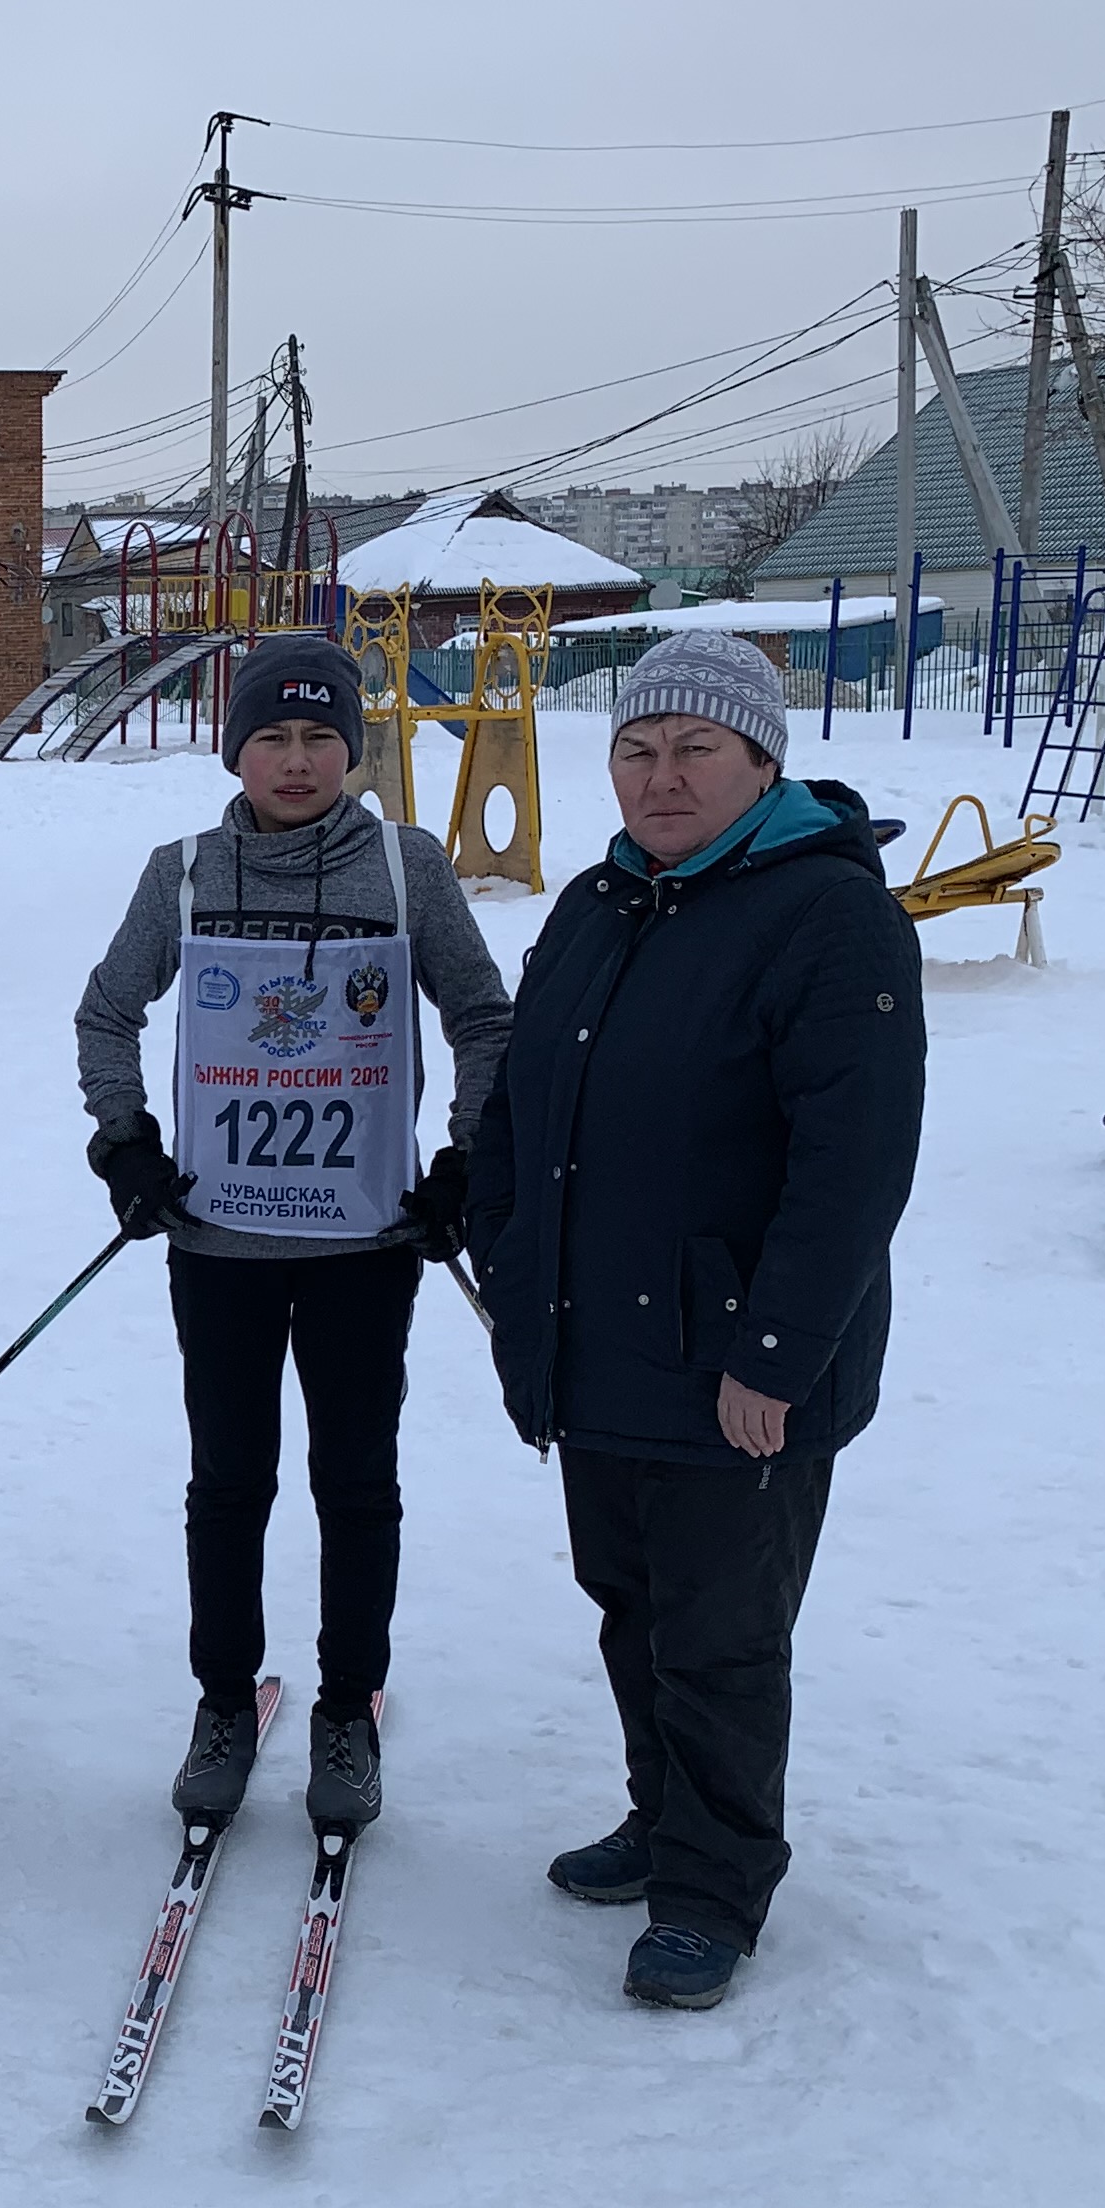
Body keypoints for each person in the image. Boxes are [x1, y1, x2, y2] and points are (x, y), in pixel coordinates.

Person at [462, 630, 924, 2010]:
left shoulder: (827, 916)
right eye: (637, 750)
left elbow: (854, 1167)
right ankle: (663, 1819)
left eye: (695, 751)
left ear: (761, 762)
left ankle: (713, 1885)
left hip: (738, 1368)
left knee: (721, 1635)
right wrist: (503, 1253)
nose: (661, 778)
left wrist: (775, 1354)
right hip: (599, 1337)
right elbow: (517, 1107)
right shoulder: (604, 904)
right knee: (631, 1608)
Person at [71, 632, 512, 1834]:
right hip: (219, 1245)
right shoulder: (184, 874)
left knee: (356, 1482)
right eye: (273, 735)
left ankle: (345, 1711)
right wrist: (127, 1146)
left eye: (322, 736)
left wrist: (466, 1157)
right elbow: (107, 1014)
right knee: (229, 1483)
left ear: (354, 750)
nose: (299, 759)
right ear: (238, 749)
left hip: (366, 1244)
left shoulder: (405, 865)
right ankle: (224, 1698)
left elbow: (485, 1017)